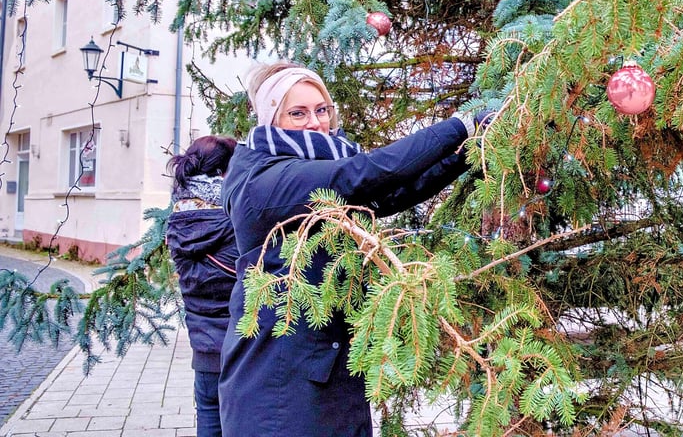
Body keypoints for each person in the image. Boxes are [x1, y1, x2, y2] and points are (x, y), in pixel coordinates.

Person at [218, 61, 487, 437]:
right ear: (270, 119)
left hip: (324, 377)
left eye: (321, 109)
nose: (315, 122)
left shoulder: (314, 162)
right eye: (297, 113)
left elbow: (390, 194)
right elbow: (362, 174)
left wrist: (467, 152)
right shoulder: (265, 177)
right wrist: (460, 125)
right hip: (280, 391)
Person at [165, 135, 240, 437]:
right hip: (243, 354)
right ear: (225, 173)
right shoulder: (239, 222)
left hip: (204, 354)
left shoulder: (177, 220)